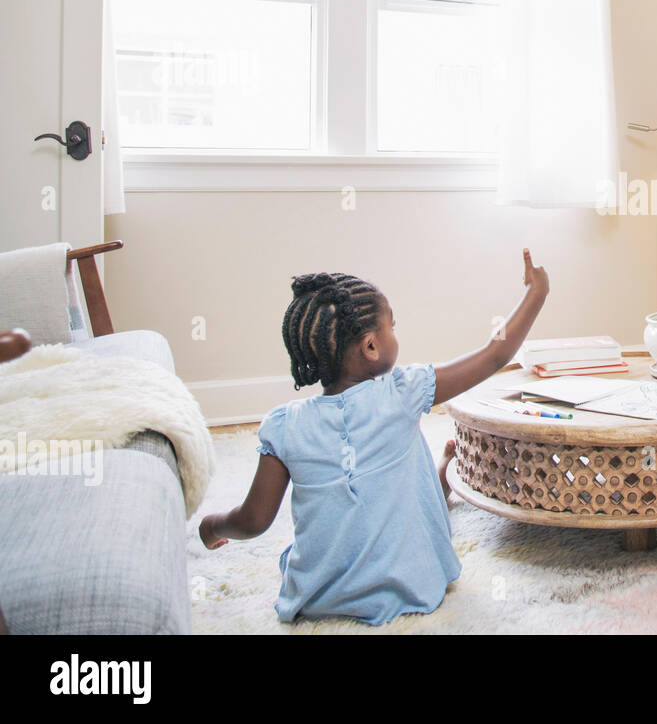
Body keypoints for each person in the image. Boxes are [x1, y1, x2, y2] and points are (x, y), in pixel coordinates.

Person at [199, 249, 549, 625]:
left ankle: (441, 477)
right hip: (411, 587)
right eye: (392, 327)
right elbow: (494, 356)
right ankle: (443, 477)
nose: (395, 333)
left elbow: (253, 520)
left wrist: (212, 526)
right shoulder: (403, 392)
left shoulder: (285, 426)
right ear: (370, 346)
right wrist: (537, 290)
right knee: (398, 466)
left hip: (320, 598)